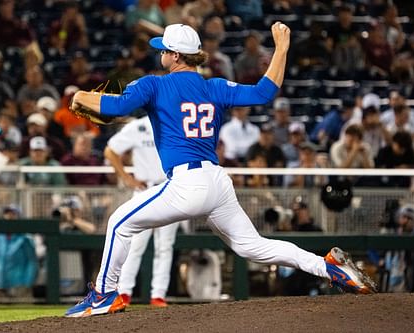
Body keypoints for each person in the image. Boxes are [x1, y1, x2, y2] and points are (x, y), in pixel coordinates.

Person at [65, 22, 376, 318]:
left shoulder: (154, 84)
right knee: (252, 246)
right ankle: (328, 267)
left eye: (164, 49)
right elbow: (263, 93)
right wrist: (281, 48)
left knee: (120, 221)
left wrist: (81, 96)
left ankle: (105, 295)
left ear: (175, 55)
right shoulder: (214, 86)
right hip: (216, 180)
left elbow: (117, 107)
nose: (160, 53)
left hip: (187, 183)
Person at [104, 115, 182, 307]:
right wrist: (126, 178)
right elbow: (110, 150)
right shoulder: (138, 127)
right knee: (135, 244)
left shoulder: (176, 122)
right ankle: (124, 292)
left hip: (170, 188)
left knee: (165, 246)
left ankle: (158, 295)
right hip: (144, 189)